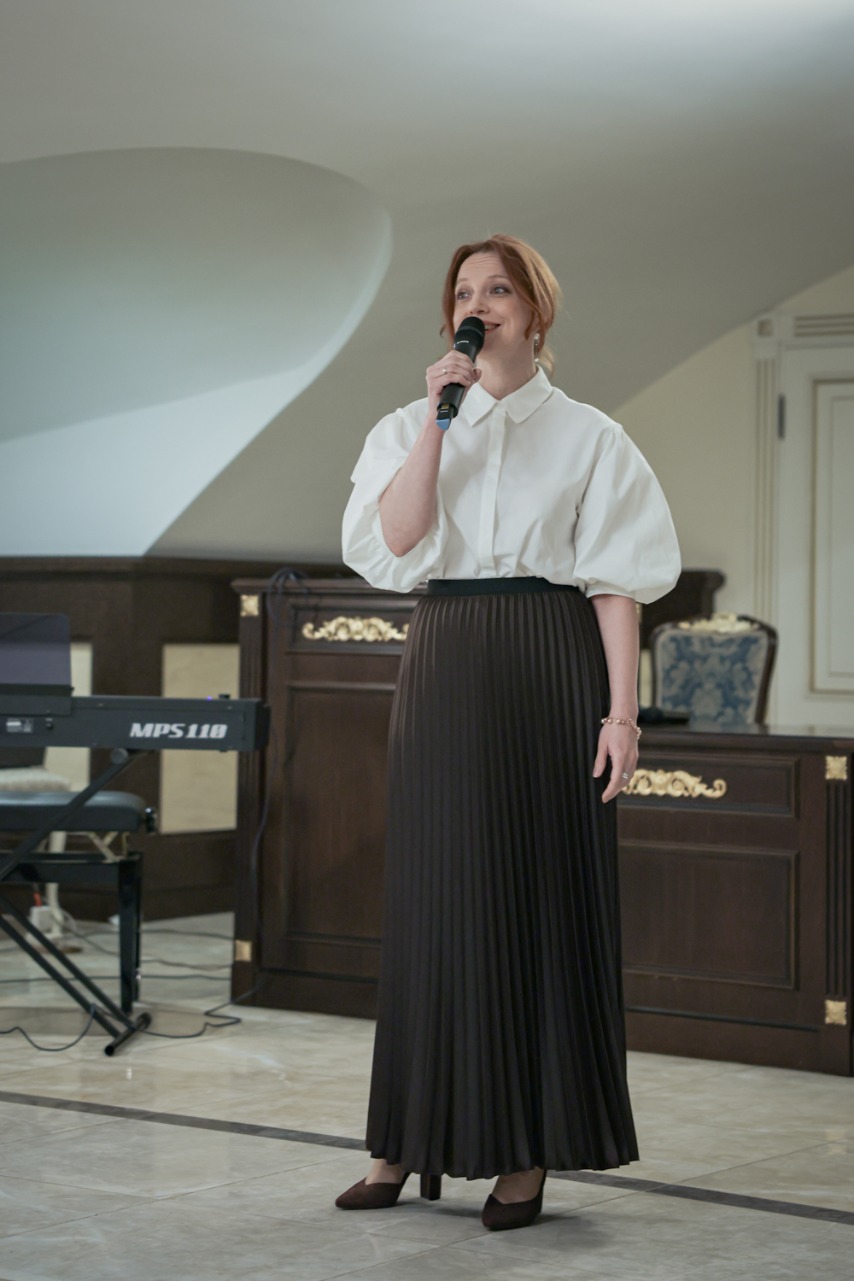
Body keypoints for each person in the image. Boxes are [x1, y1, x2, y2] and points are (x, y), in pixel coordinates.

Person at [337, 234, 680, 1231]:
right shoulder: (408, 424)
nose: (478, 304)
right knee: (432, 901)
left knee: (534, 902)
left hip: (547, 661)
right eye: (464, 292)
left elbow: (616, 586)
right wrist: (436, 424)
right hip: (445, 656)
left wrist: (621, 715)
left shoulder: (591, 437)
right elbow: (398, 540)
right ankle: (399, 1140)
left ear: (535, 312)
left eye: (498, 290)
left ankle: (524, 1154)